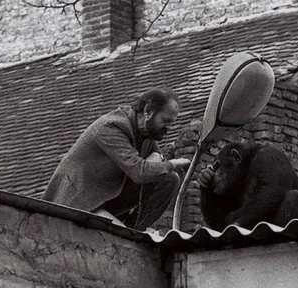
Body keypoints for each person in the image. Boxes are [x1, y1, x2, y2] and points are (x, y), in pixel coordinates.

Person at [42, 88, 191, 230]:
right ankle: (129, 235)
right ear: (147, 112)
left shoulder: (146, 135)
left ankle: (136, 231)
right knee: (164, 171)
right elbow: (140, 172)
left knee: (169, 179)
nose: (169, 127)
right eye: (166, 120)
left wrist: (160, 158)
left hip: (104, 200)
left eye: (172, 122)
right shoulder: (112, 127)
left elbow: (154, 168)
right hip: (77, 202)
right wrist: (172, 163)